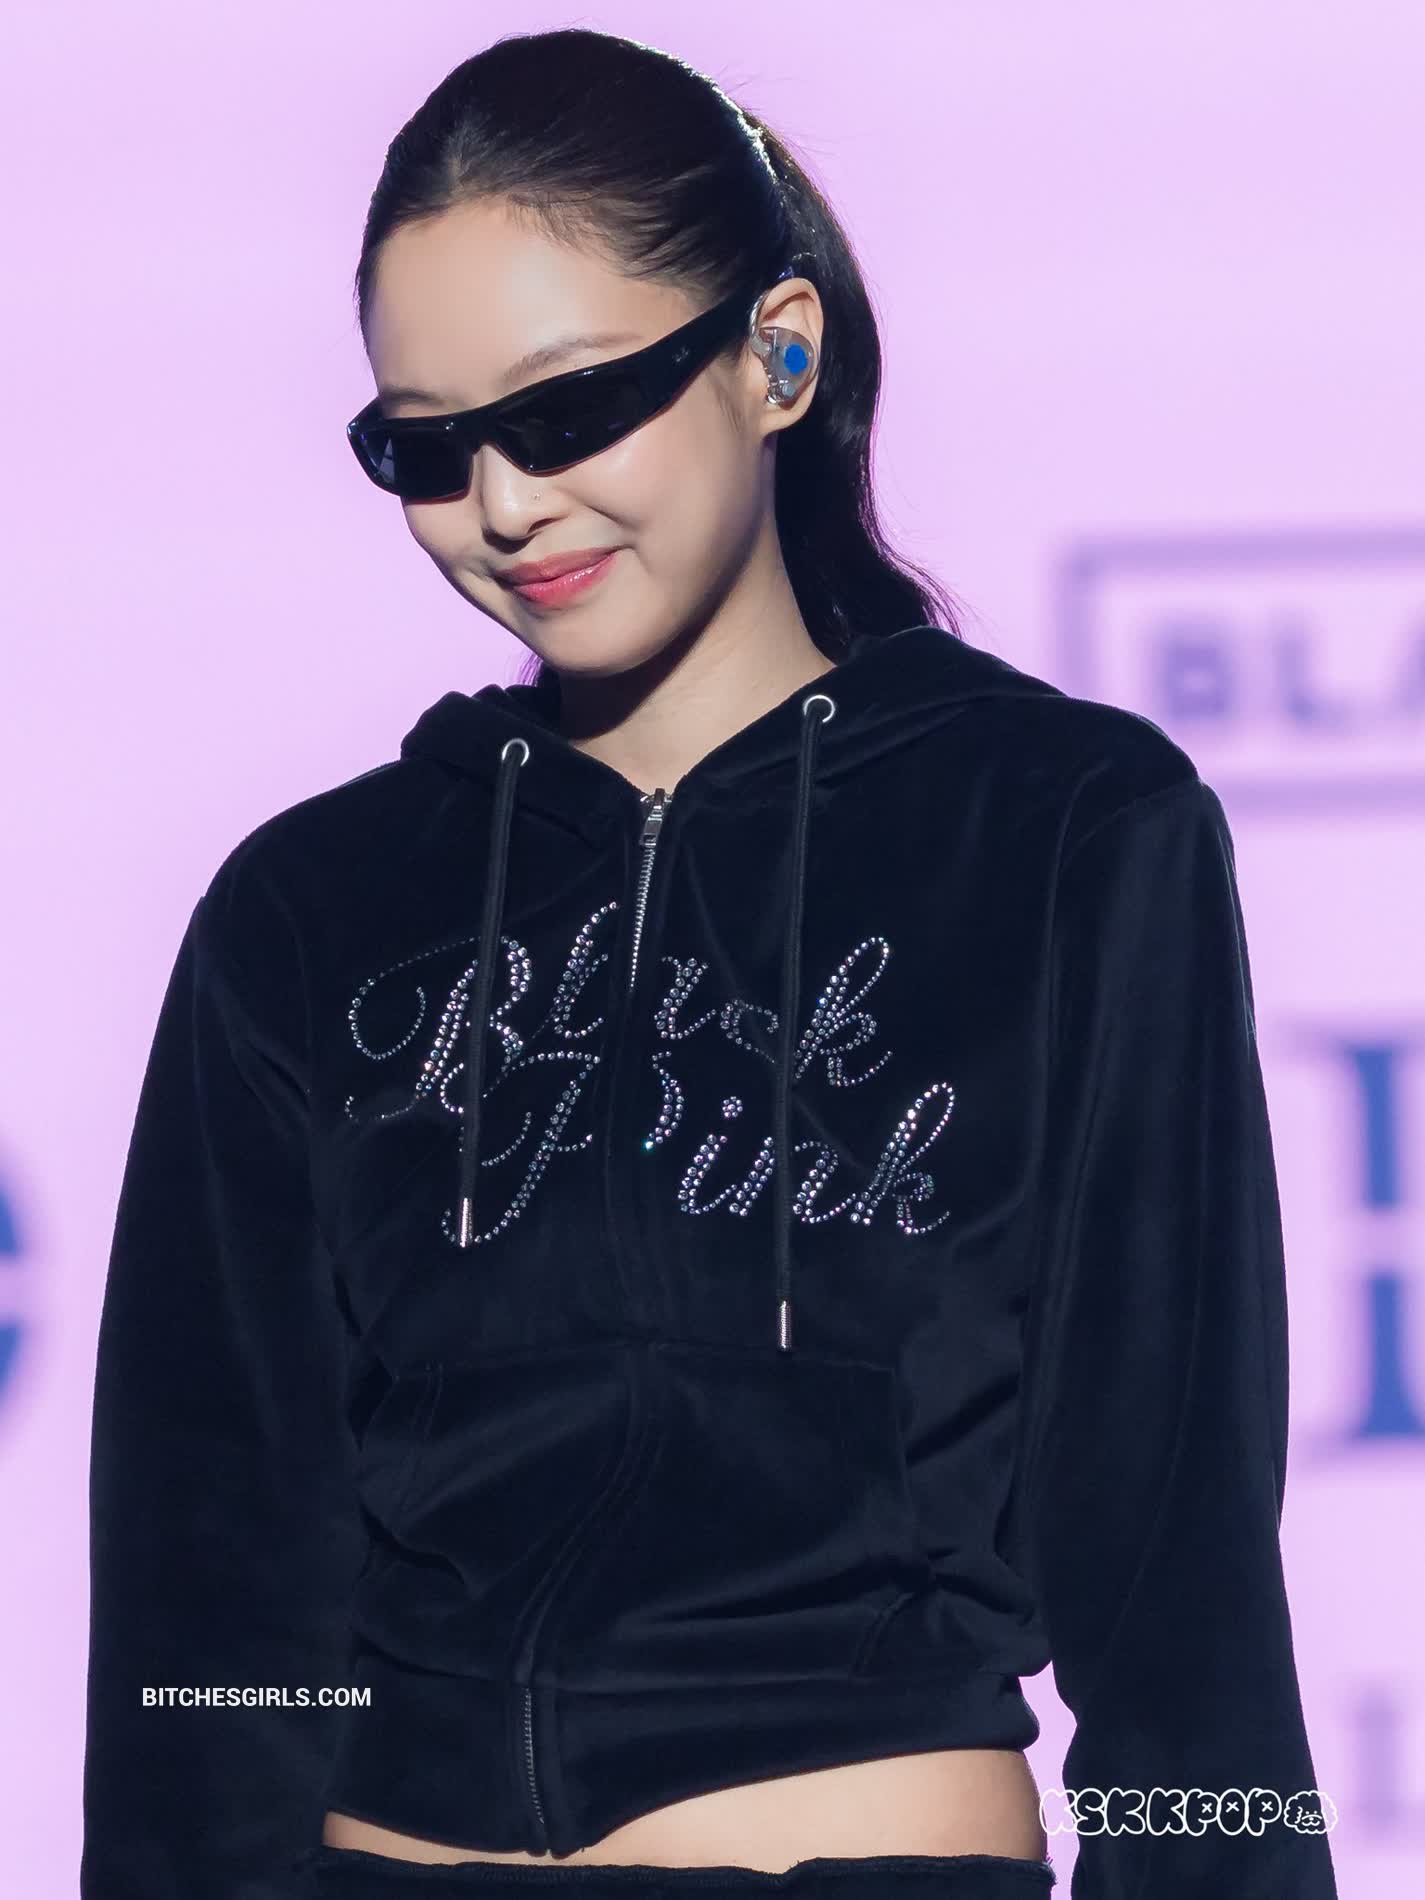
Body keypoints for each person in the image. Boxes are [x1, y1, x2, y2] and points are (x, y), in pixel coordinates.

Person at [80, 26, 1338, 1900]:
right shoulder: (309, 909)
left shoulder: (1065, 834)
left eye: (566, 409)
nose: (503, 505)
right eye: (425, 446)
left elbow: (1175, 1579)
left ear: (776, 355)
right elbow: (213, 1610)